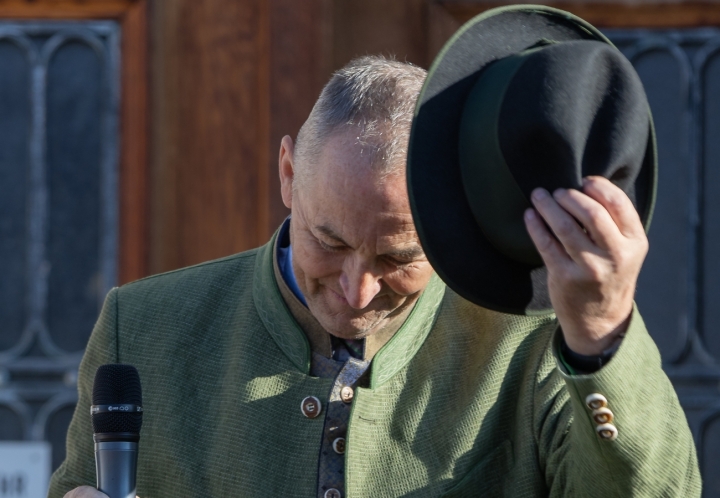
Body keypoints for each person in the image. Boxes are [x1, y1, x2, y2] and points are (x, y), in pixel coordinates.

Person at [51, 10, 701, 498]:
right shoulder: (138, 329)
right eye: (328, 241)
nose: (358, 290)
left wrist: (602, 335)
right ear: (286, 173)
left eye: (398, 258)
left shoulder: (532, 345)